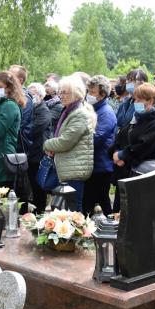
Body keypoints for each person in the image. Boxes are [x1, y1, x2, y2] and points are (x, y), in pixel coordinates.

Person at [43, 75, 97, 212]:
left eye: (64, 92)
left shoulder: (79, 114)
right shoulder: (69, 111)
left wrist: (46, 144)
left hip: (74, 170)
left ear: (76, 93)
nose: (61, 96)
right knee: (64, 212)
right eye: (60, 92)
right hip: (67, 169)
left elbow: (65, 142)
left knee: (73, 212)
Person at [110, 83, 155, 211]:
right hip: (125, 172)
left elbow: (144, 146)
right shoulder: (136, 119)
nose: (136, 102)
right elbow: (121, 137)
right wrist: (116, 151)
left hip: (142, 174)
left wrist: (123, 155)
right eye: (135, 99)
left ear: (151, 101)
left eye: (139, 100)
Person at [83, 75, 117, 216]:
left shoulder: (106, 113)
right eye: (88, 91)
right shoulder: (93, 109)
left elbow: (96, 138)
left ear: (102, 95)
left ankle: (113, 230)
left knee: (101, 201)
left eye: (92, 92)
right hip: (94, 165)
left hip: (101, 166)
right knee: (92, 202)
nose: (89, 95)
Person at [27, 82, 52, 211]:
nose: (30, 96)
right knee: (31, 184)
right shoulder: (30, 109)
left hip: (38, 154)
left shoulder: (43, 111)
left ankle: (40, 211)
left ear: (41, 96)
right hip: (30, 153)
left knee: (38, 186)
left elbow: (33, 129)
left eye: (33, 94)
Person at [9, 65, 34, 152]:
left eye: (11, 76)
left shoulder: (25, 98)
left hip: (16, 146)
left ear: (20, 80)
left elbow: (20, 124)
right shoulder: (9, 95)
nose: (7, 77)